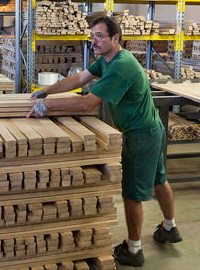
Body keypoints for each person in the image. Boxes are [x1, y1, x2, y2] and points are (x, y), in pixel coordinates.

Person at [27, 16, 182, 267]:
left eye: (99, 36)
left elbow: (88, 102)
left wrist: (48, 105)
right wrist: (46, 91)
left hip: (140, 135)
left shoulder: (121, 65)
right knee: (158, 179)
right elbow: (78, 80)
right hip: (151, 129)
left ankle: (133, 251)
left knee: (132, 195)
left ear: (115, 38)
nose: (94, 41)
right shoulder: (106, 61)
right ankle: (169, 227)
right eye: (92, 36)